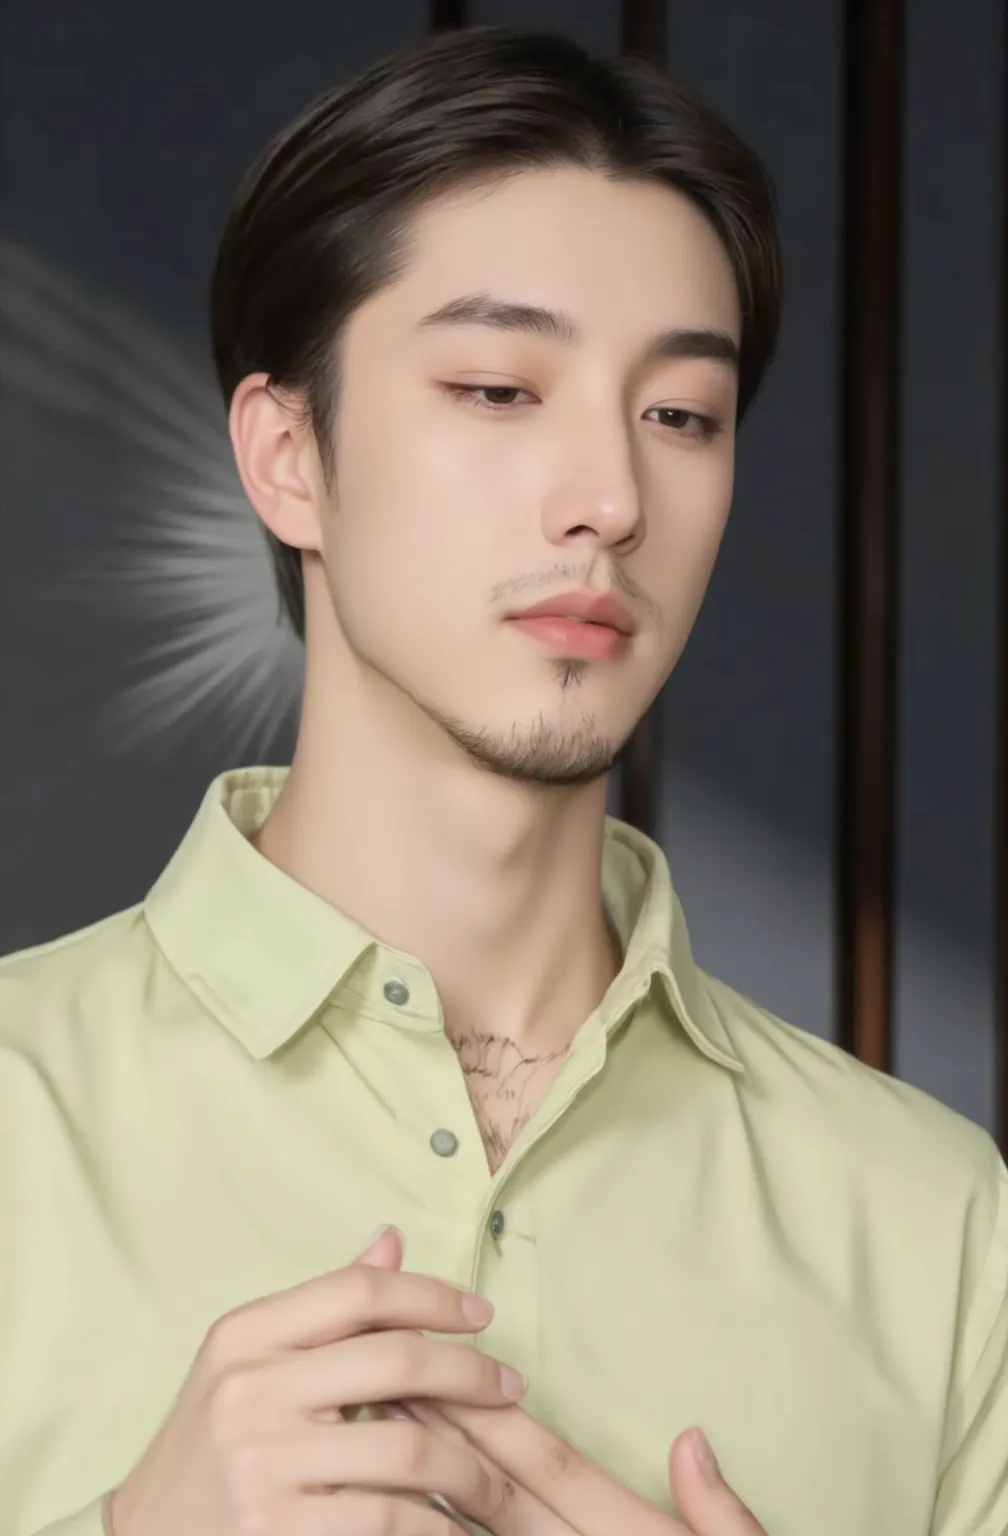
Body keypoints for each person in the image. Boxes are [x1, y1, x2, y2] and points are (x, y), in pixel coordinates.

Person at [0, 23, 1004, 1536]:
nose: (610, 498)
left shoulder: (936, 1225)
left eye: (681, 415)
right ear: (287, 456)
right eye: (496, 388)